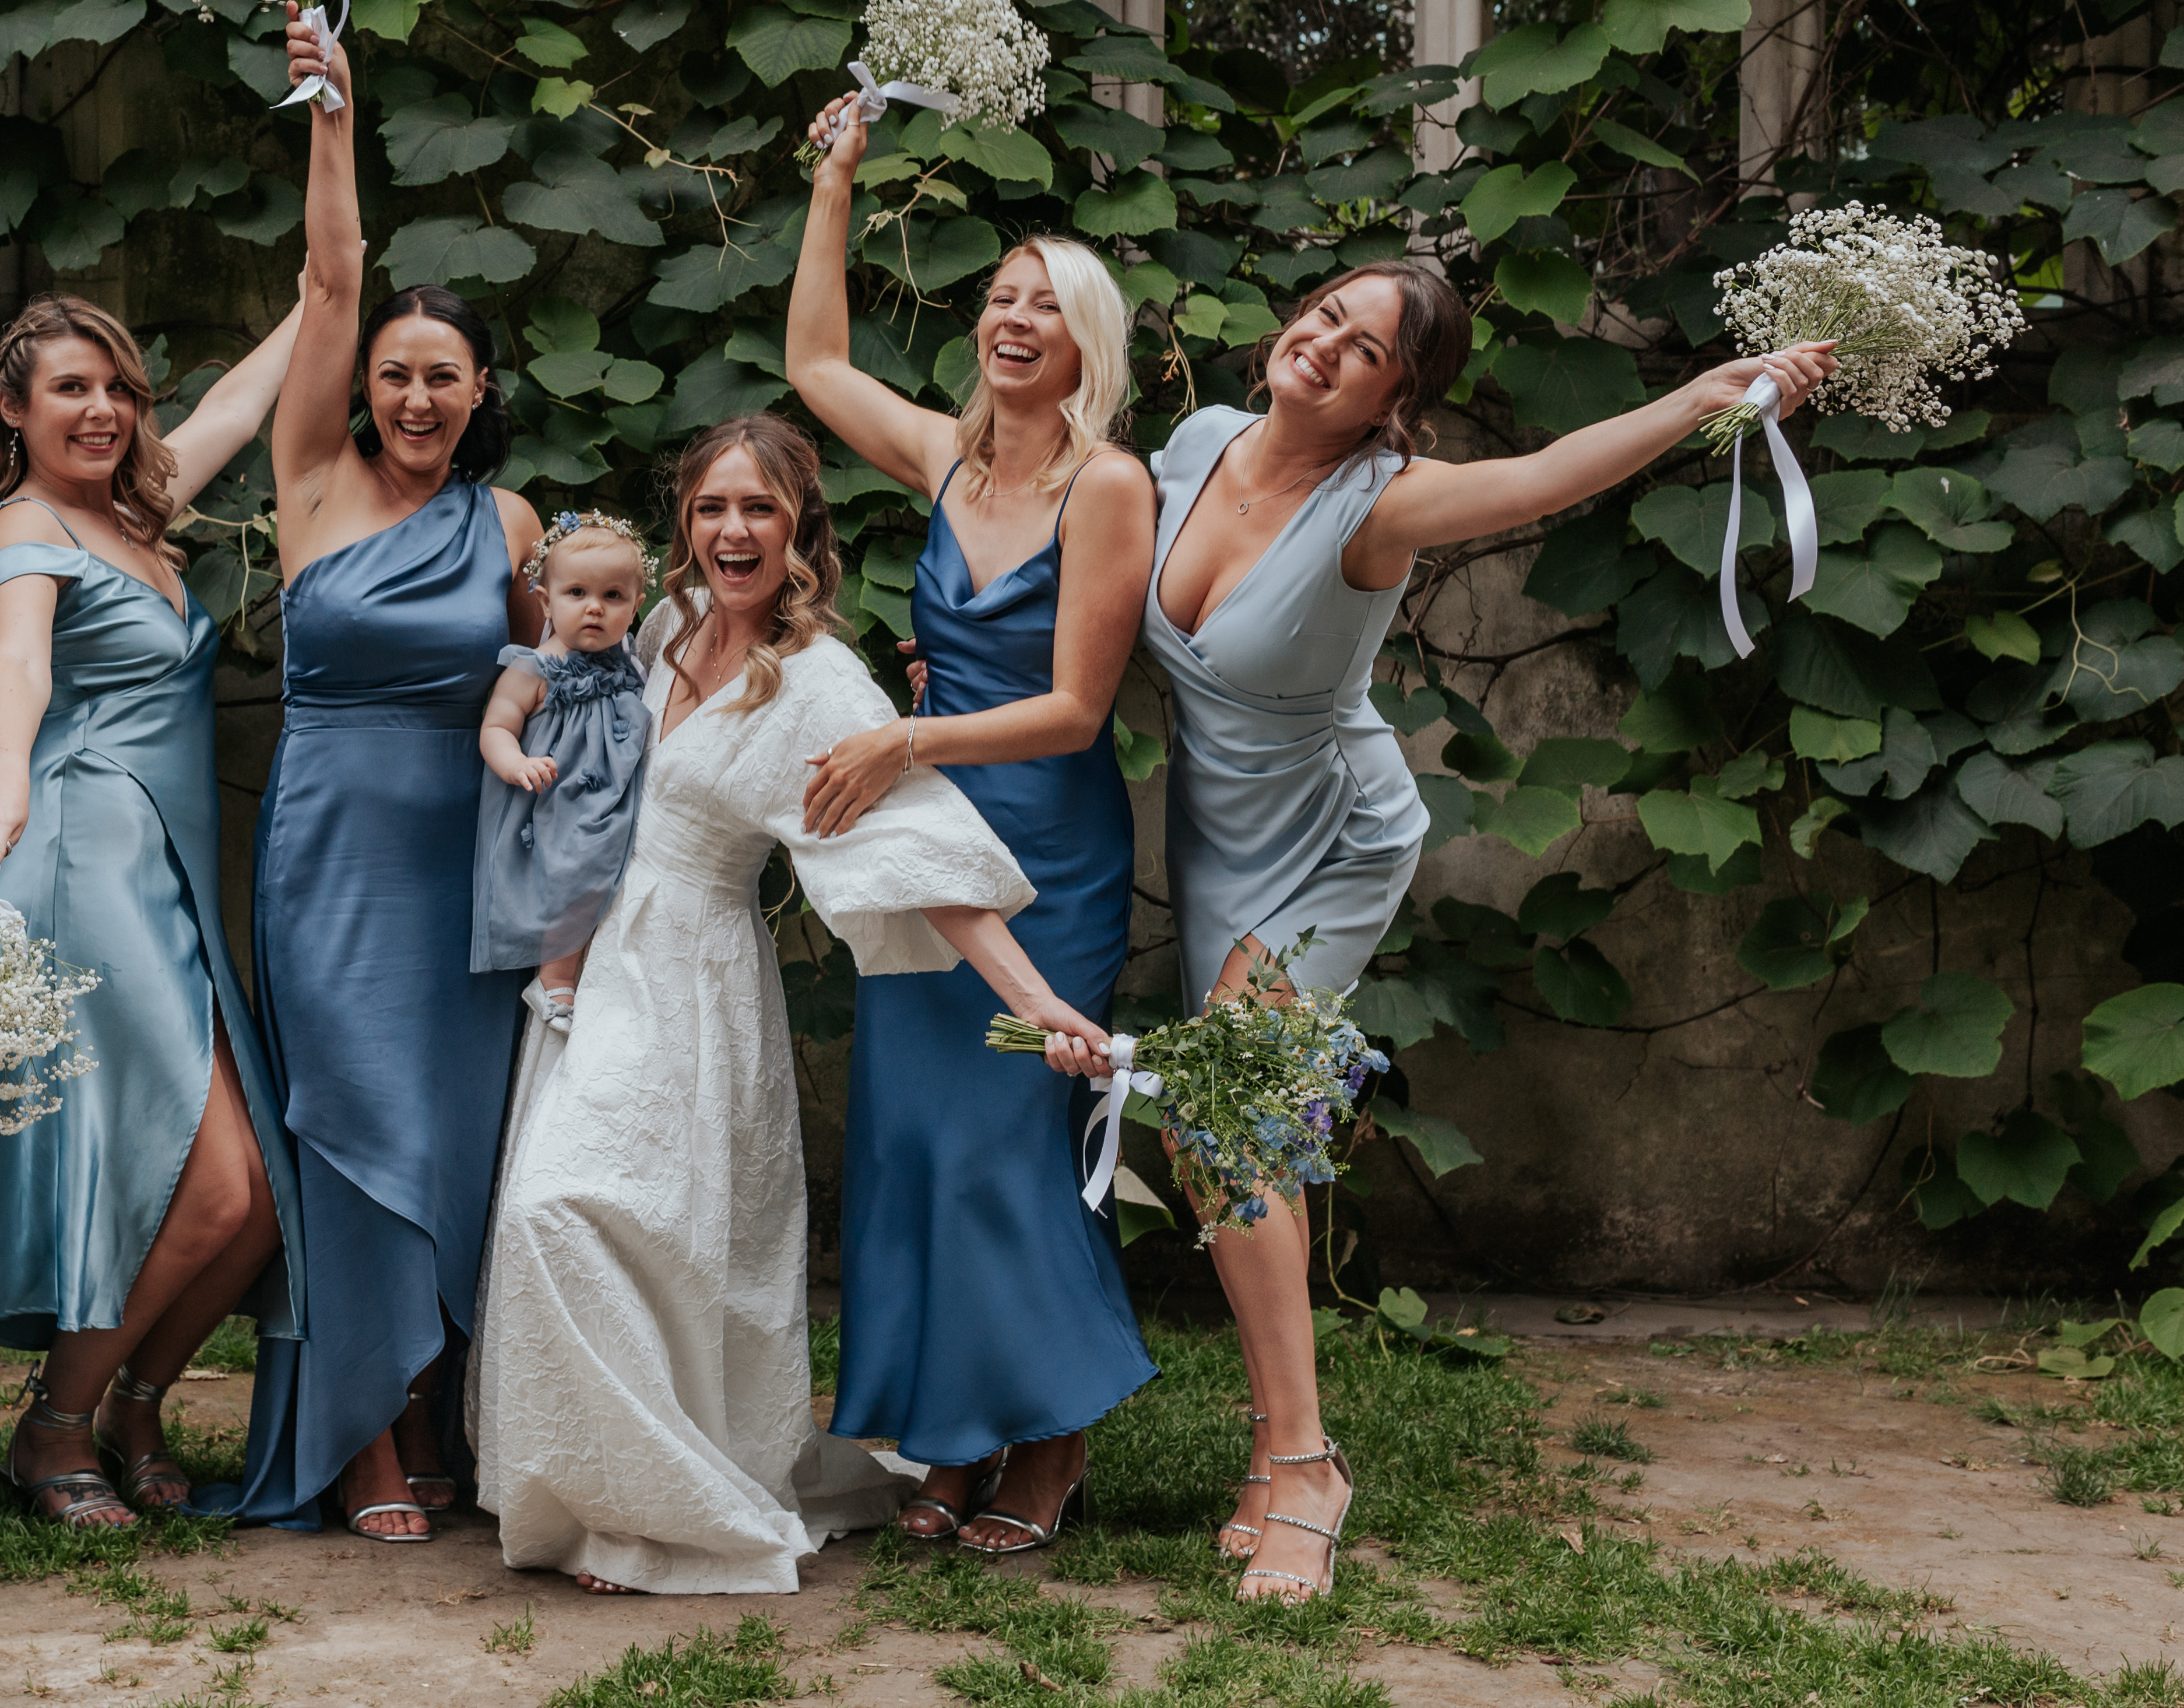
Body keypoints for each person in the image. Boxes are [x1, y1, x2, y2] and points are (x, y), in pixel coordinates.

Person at [1147, 259, 1835, 1601]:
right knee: (1235, 1144)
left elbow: (1547, 475)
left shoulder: (1386, 502)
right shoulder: (1187, 445)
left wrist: (1704, 394)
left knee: (1221, 1118)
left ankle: (1301, 1465)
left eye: (1365, 348)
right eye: (1323, 316)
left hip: (1328, 840)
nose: (1324, 345)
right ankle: (1270, 1443)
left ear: (1395, 395)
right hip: (1212, 838)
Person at [472, 414, 1118, 1598]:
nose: (733, 530)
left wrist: (1043, 1003)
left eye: (758, 509)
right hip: (594, 961)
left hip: (698, 978)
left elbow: (919, 851)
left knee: (588, 1215)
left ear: (799, 528)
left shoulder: (821, 682)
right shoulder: (658, 627)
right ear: (686, 522)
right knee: (567, 1213)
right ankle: (599, 1490)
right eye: (713, 507)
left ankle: (661, 1504)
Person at [784, 94, 1164, 1555]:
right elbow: (814, 360)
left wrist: (900, 733)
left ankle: (1049, 1443)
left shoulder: (1106, 483)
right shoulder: (944, 456)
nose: (1013, 320)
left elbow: (1075, 708)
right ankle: (945, 1438)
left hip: (1044, 844)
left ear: (1084, 341)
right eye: (999, 297)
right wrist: (836, 180)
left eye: (1044, 305)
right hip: (927, 837)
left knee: (1013, 1136)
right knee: (917, 1142)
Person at [228, 6, 547, 1540]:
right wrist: (333, 111)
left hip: (467, 872)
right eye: (399, 376)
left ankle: (435, 1410)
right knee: (348, 1125)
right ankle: (357, 1435)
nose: (418, 397)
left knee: (458, 1137)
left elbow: (574, 696)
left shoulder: (514, 527)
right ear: (366, 385)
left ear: (483, 394)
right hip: (332, 853)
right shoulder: (311, 476)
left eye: (446, 378)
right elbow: (329, 280)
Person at [0, 289, 311, 1525]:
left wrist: (319, 289)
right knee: (207, 1184)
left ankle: (136, 1399)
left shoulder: (139, 509)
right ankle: (54, 1429)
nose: (101, 410)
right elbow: (20, 664)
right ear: (11, 410)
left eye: (118, 388)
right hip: (85, 860)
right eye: (69, 390)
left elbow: (240, 404)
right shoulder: (25, 528)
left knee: (259, 1196)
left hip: (170, 871)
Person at [469, 511, 656, 1029]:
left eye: (613, 597)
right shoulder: (531, 668)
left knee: (608, 876)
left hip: (610, 798)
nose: (594, 608)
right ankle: (555, 980)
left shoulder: (632, 667)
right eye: (577, 593)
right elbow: (496, 729)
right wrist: (517, 764)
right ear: (546, 600)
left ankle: (585, 971)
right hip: (552, 798)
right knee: (569, 870)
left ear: (636, 606)